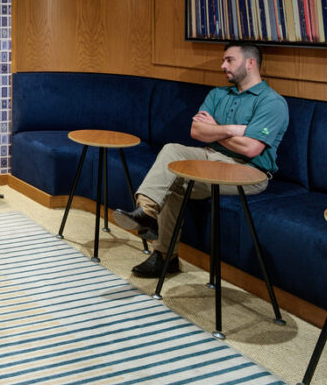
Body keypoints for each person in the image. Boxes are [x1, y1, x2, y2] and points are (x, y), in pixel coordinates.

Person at [114, 41, 289, 278]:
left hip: (248, 171)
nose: (222, 65)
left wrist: (215, 129)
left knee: (174, 181)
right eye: (223, 60)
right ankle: (147, 212)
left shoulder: (272, 102)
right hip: (210, 157)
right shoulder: (218, 94)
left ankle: (163, 254)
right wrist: (234, 129)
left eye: (229, 60)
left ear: (250, 63)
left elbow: (250, 149)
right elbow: (196, 132)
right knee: (172, 151)